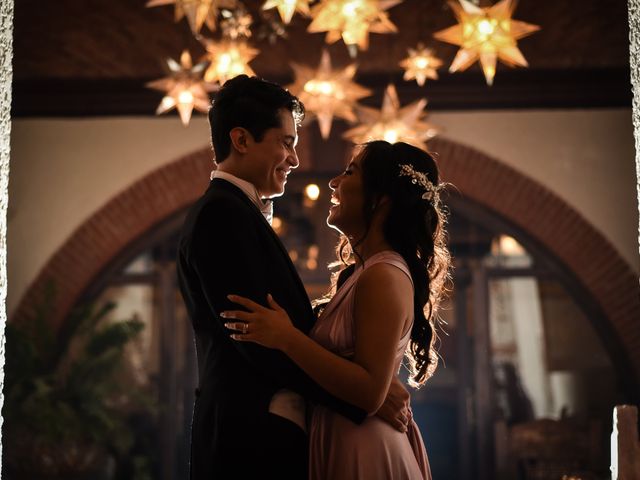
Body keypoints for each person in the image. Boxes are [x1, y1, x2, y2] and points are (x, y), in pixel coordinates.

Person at [177, 76, 409, 479]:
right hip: (251, 439)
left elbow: (280, 330)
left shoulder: (238, 213)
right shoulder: (221, 215)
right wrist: (361, 394)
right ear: (242, 140)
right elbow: (252, 337)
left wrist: (365, 385)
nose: (295, 159)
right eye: (286, 142)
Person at [223, 140, 451, 479]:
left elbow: (369, 393)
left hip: (366, 450)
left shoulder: (383, 275)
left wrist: (286, 338)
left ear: (381, 199)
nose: (334, 182)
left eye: (350, 171)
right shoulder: (365, 272)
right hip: (345, 438)